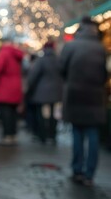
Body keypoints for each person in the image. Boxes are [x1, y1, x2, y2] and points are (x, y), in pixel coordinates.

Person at [59, 16, 107, 186]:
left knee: (77, 133)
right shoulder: (100, 48)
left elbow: (61, 69)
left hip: (75, 96)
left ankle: (77, 170)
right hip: (95, 97)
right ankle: (89, 173)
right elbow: (104, 74)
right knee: (92, 134)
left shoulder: (71, 46)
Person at [0, 40, 24, 145]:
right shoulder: (17, 53)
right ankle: (12, 134)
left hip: (5, 87)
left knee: (5, 112)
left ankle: (7, 135)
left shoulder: (4, 53)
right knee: (13, 112)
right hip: (16, 86)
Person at [26, 41, 63, 144]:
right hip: (57, 93)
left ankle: (43, 135)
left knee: (42, 116)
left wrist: (30, 88)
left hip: (42, 94)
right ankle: (52, 135)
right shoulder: (59, 60)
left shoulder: (41, 60)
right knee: (54, 116)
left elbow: (33, 76)